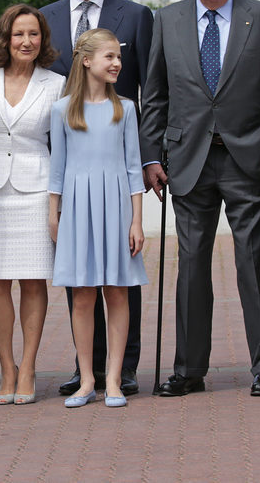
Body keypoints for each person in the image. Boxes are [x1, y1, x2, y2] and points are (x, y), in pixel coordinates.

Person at [140, 0, 260, 397]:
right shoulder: (169, 19)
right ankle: (188, 369)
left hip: (247, 158)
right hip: (188, 161)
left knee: (254, 261)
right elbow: (155, 94)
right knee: (191, 265)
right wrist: (150, 156)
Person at [41, 0, 153, 396]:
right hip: (76, 178)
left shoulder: (137, 17)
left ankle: (121, 370)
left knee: (120, 285)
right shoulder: (46, 19)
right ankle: (85, 371)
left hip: (116, 183)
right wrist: (54, 204)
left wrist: (151, 162)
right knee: (81, 287)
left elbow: (152, 89)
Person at [0, 4, 64, 405]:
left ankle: (28, 367)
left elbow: (60, 148)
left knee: (34, 281)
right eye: (19, 34)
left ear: (43, 40)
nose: (27, 41)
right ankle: (6, 368)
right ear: (5, 38)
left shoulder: (56, 84)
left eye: (34, 34)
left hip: (37, 192)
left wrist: (57, 203)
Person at [49, 29, 147, 408]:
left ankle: (114, 379)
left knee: (118, 291)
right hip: (76, 207)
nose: (117, 63)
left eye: (118, 57)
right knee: (83, 295)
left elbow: (134, 169)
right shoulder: (62, 110)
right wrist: (53, 214)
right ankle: (86, 378)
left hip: (116, 207)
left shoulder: (124, 108)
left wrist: (136, 221)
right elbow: (57, 169)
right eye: (109, 56)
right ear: (87, 60)